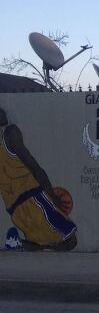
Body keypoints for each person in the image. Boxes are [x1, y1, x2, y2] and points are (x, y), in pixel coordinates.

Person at [0, 106, 77, 251]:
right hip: (30, 196)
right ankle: (34, 245)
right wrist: (52, 195)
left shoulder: (8, 136)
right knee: (69, 240)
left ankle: (30, 244)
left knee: (43, 240)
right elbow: (33, 166)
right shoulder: (10, 133)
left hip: (15, 206)